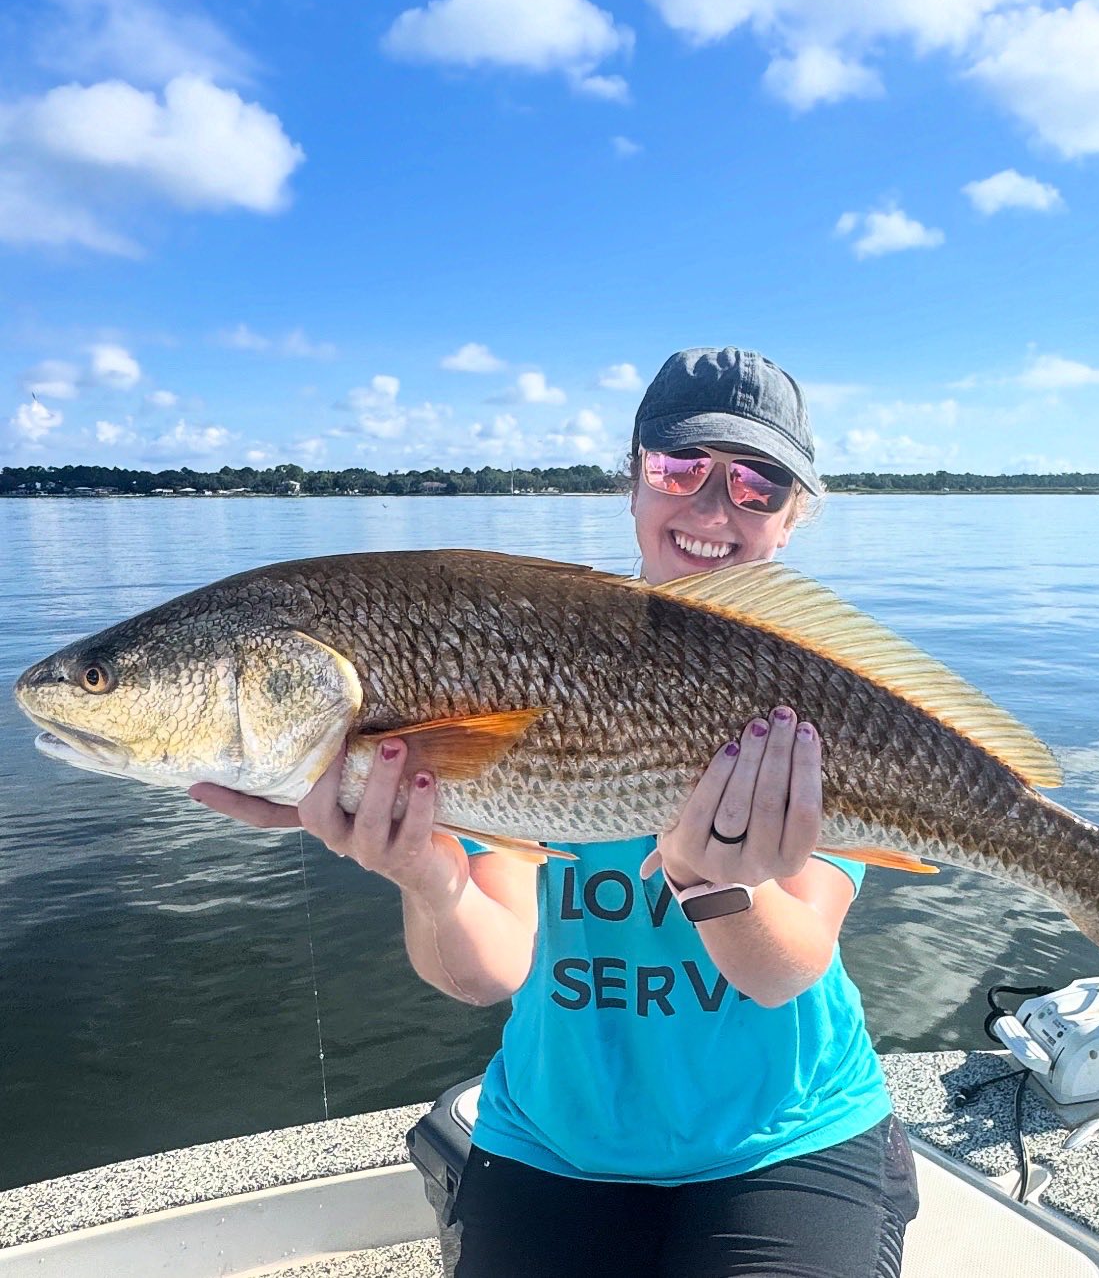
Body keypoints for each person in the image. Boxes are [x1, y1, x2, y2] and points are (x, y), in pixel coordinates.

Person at [192, 346, 918, 1278]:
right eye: (680, 467)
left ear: (793, 516)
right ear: (633, 477)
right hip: (556, 1138)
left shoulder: (815, 698)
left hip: (790, 1133)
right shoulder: (519, 648)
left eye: (757, 484)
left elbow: (785, 971)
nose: (711, 505)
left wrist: (712, 884)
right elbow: (489, 966)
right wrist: (423, 870)